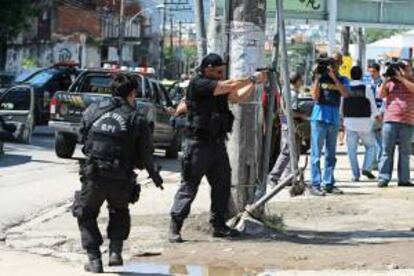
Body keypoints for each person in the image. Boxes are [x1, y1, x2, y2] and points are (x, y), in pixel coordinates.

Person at [168, 53, 267, 242]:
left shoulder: (219, 87)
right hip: (197, 144)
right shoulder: (199, 83)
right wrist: (253, 77)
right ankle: (175, 226)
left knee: (222, 186)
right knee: (189, 186)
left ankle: (219, 225)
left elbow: (238, 97)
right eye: (219, 70)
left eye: (223, 70)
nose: (222, 73)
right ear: (208, 70)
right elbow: (227, 86)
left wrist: (255, 84)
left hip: (217, 144)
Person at [72, 73, 164, 273]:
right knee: (119, 211)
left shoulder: (94, 110)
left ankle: (94, 259)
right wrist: (155, 176)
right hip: (121, 177)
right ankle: (115, 252)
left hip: (94, 175)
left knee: (86, 214)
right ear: (132, 93)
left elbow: (82, 137)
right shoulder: (137, 118)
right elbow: (146, 154)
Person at [309, 53, 350, 196]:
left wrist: (333, 77)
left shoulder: (343, 79)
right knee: (316, 154)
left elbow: (345, 94)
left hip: (333, 117)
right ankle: (315, 184)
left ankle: (329, 183)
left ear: (340, 63)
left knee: (331, 154)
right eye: (330, 63)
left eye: (335, 62)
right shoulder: (318, 77)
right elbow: (314, 96)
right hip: (319, 117)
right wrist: (318, 77)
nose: (332, 65)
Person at [377, 61, 414, 187]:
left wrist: (402, 78)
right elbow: (380, 95)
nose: (402, 70)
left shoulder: (411, 80)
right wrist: (386, 80)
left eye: (405, 68)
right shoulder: (390, 82)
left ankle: (404, 179)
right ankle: (383, 178)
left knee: (405, 152)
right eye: (400, 68)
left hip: (407, 121)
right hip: (390, 120)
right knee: (387, 151)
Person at [268, 72, 307, 186]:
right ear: (298, 80)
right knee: (287, 152)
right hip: (290, 126)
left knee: (293, 152)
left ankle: (289, 177)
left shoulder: (285, 90)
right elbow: (292, 112)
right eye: (301, 79)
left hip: (288, 126)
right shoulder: (292, 93)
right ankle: (273, 177)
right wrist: (303, 116)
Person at [342, 66, 379, 182]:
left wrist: (342, 119)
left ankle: (355, 175)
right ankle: (367, 167)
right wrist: (375, 117)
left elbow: (341, 105)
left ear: (351, 75)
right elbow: (372, 105)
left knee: (351, 151)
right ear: (361, 75)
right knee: (371, 146)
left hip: (350, 122)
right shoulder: (366, 88)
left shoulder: (345, 87)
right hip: (365, 122)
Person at [368, 63, 384, 167]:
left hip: (379, 113)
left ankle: (378, 161)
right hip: (369, 114)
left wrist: (381, 113)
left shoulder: (382, 83)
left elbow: (384, 100)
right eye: (370, 72)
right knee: (370, 140)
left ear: (378, 72)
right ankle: (373, 162)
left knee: (379, 140)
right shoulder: (368, 83)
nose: (371, 74)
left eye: (373, 72)